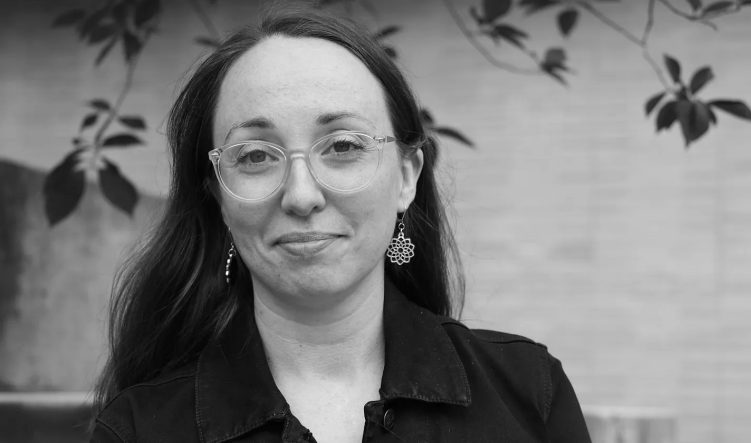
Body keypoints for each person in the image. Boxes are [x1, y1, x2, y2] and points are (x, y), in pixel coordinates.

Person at [90, 7, 591, 443]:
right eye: (257, 155)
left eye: (344, 147)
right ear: (217, 196)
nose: (302, 195)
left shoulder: (527, 392)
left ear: (407, 177)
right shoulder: (139, 428)